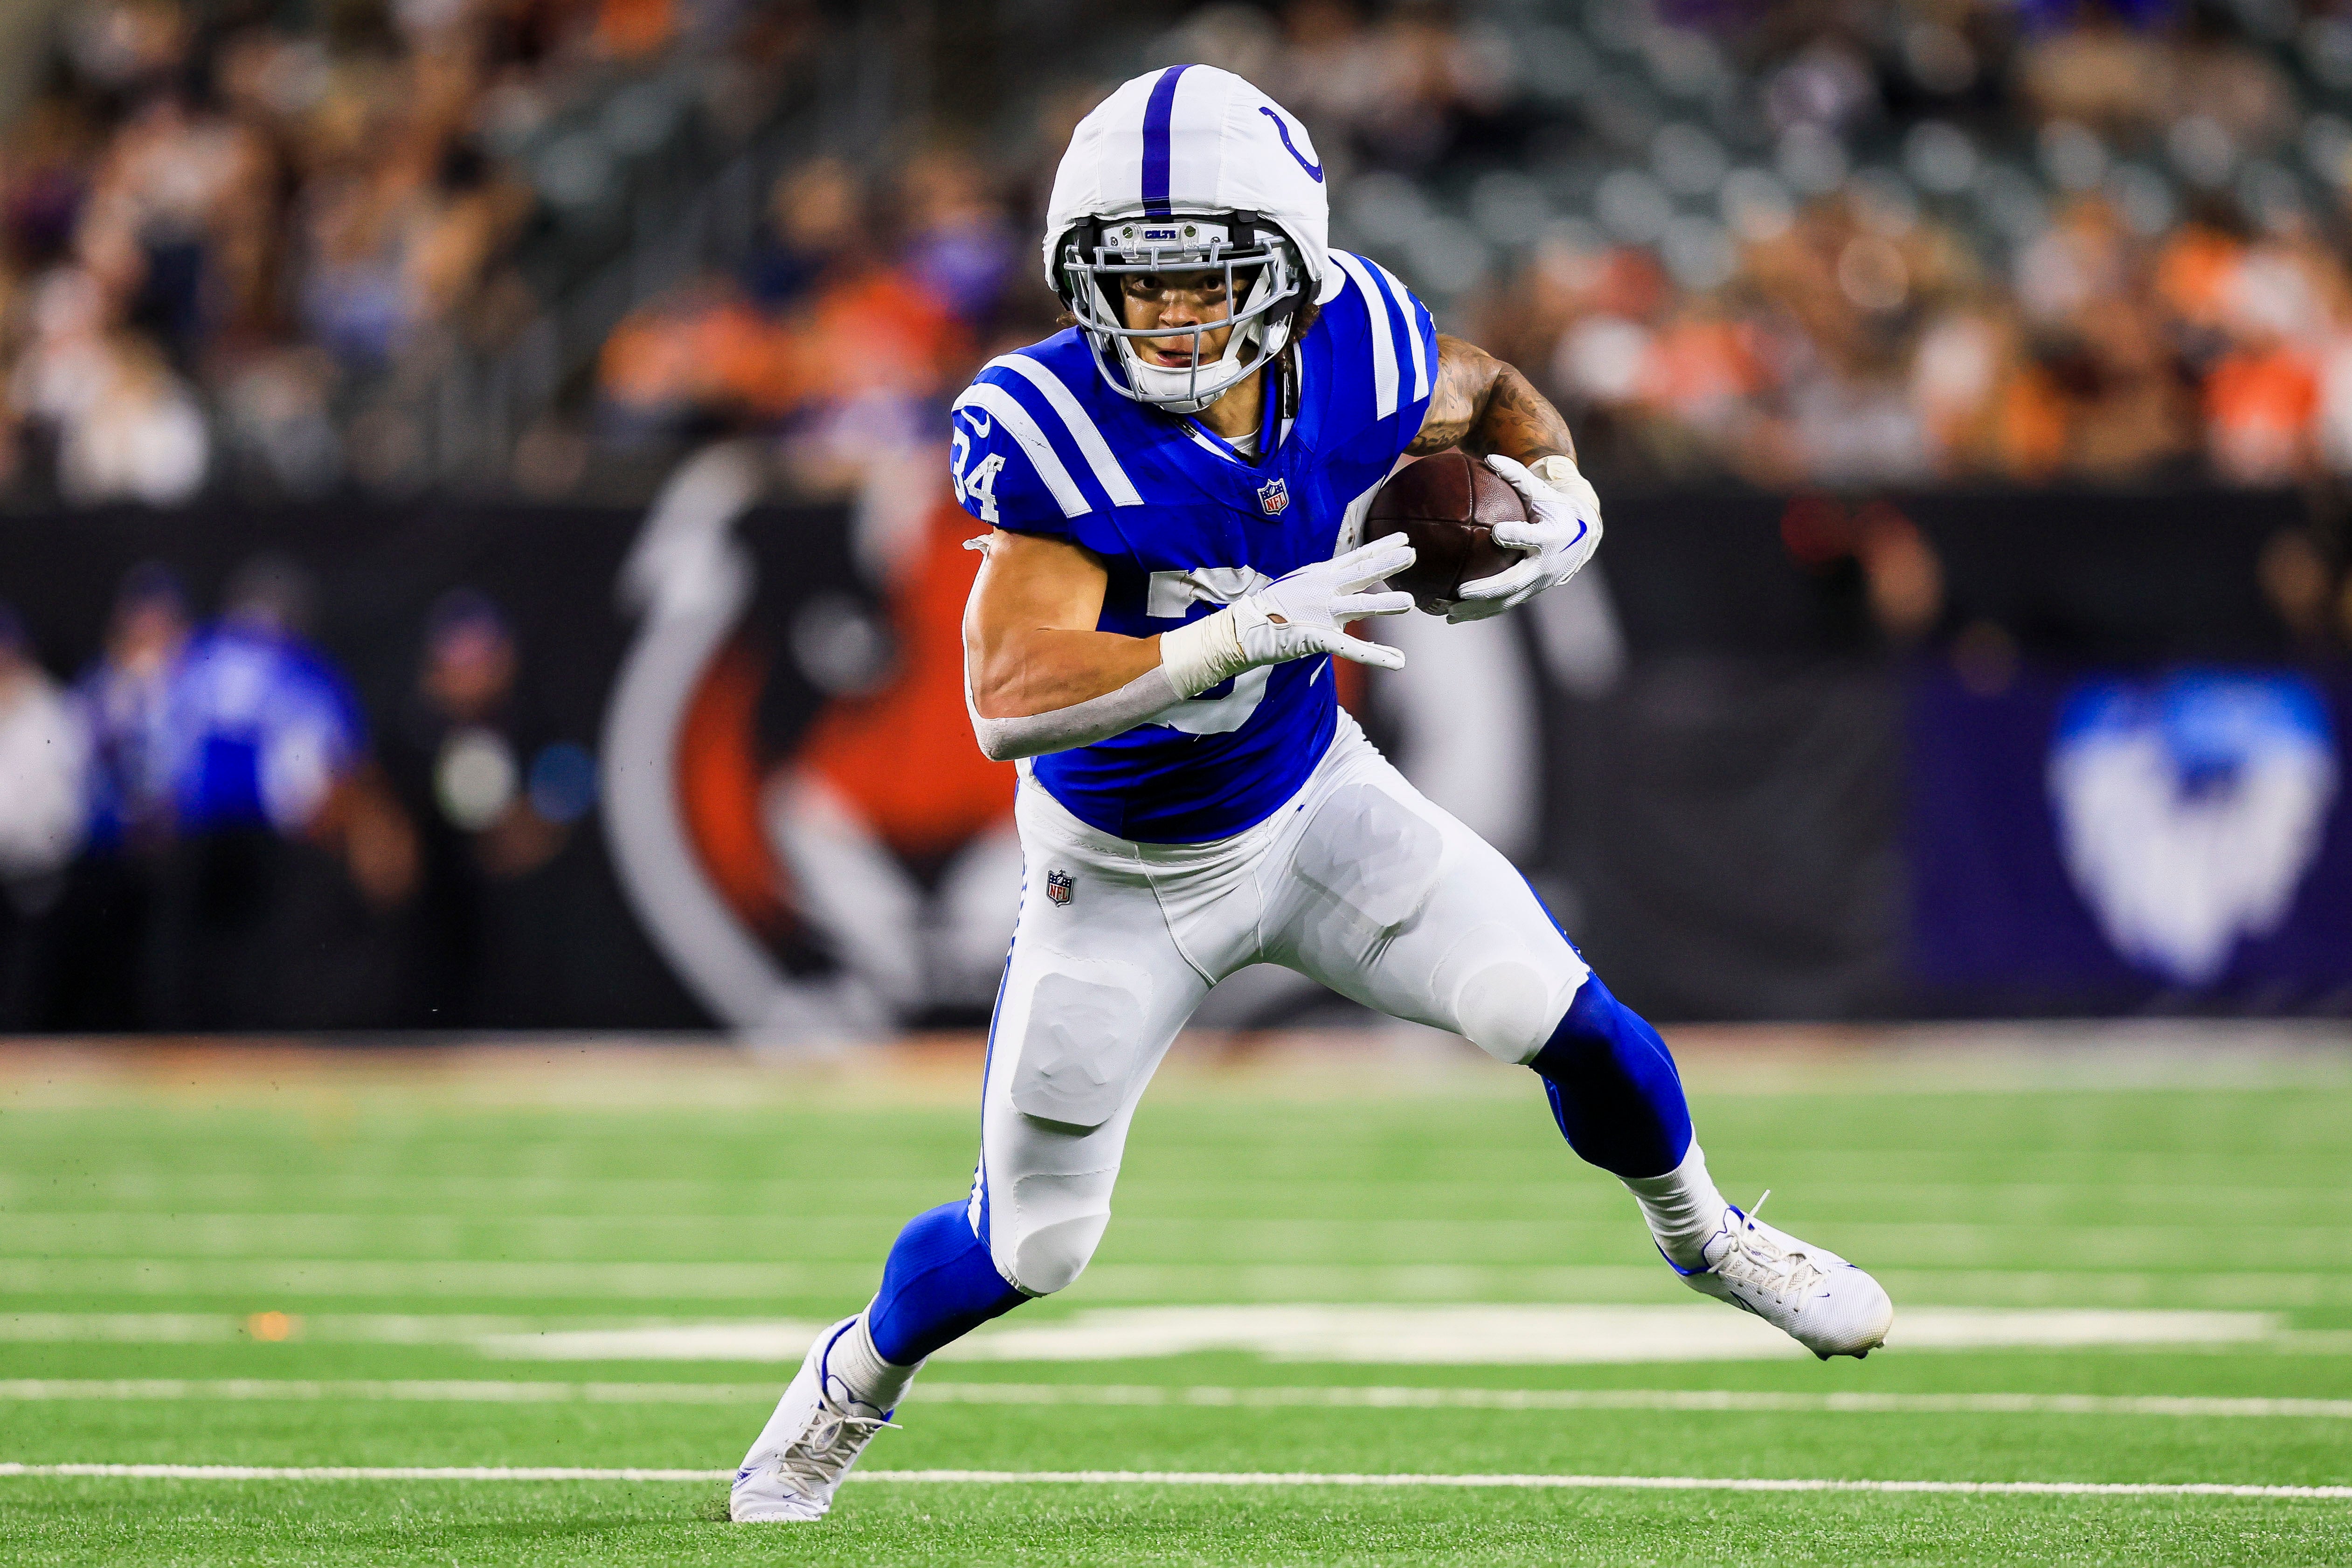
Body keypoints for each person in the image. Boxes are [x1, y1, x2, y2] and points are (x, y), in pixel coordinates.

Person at [730, 65, 1894, 1523]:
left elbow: (1485, 390)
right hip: (1123, 872)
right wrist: (1227, 631)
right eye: (1130, 286)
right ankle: (851, 1380)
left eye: (1201, 280)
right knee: (1033, 1246)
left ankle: (1710, 1235)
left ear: (1286, 265)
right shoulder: (1046, 420)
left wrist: (1560, 484)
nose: (1165, 319)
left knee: (1557, 1014)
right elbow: (1005, 693)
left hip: (1315, 798)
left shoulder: (1357, 338)